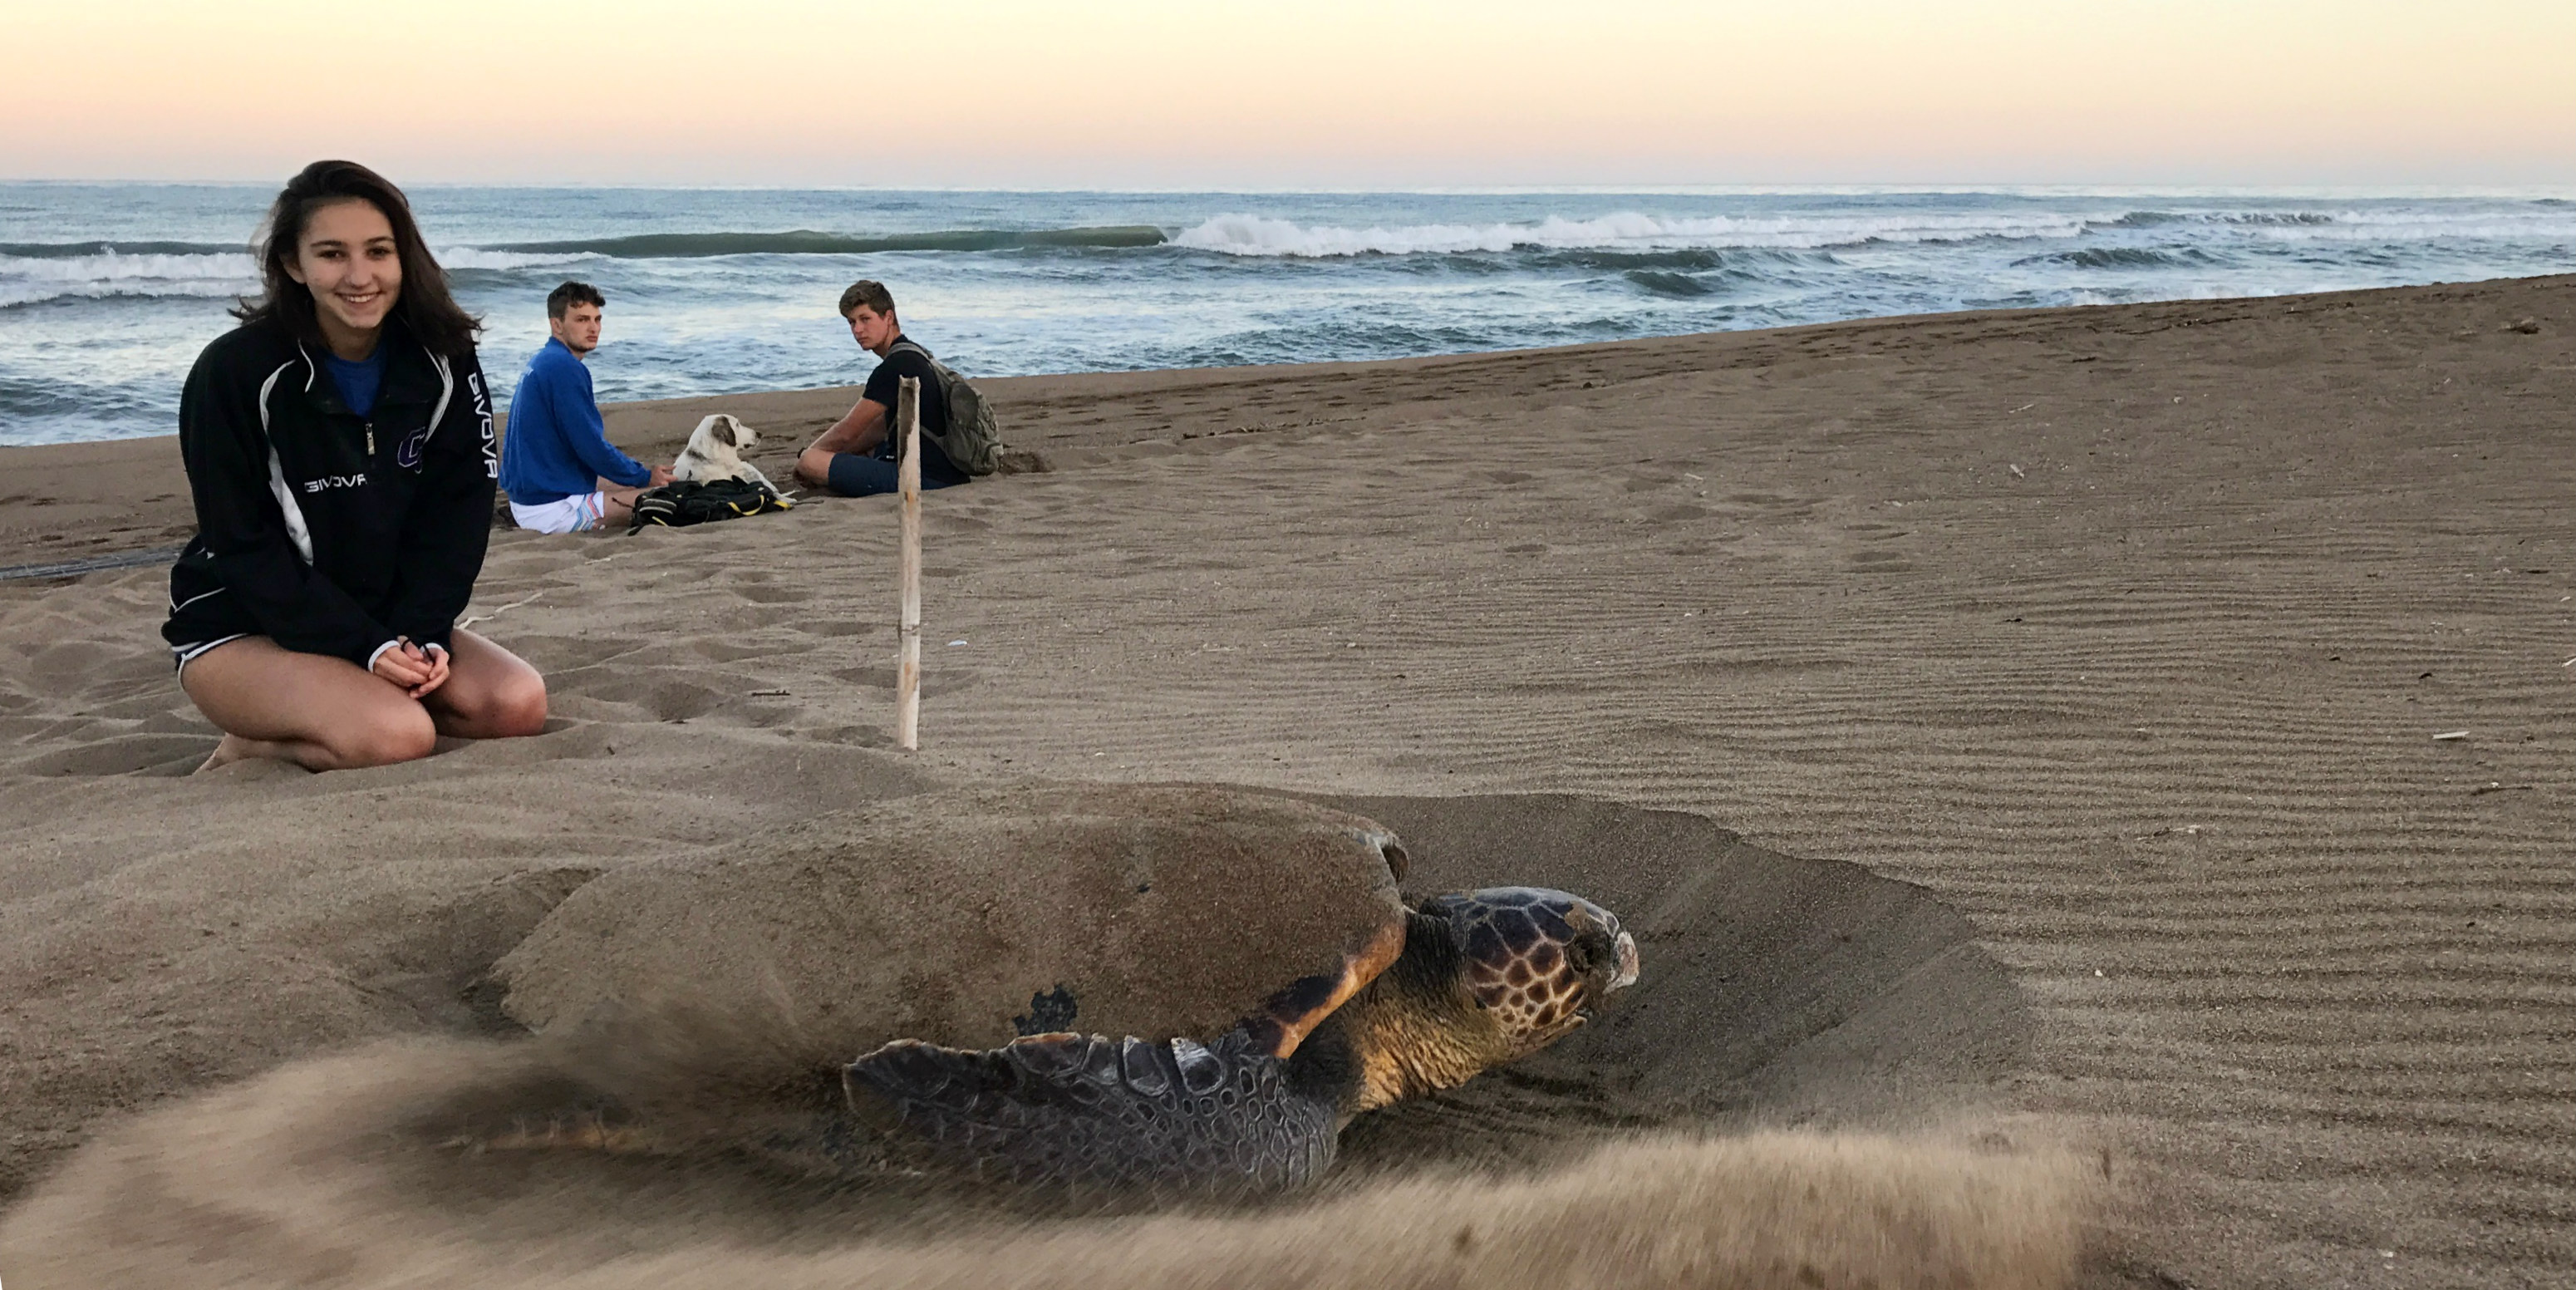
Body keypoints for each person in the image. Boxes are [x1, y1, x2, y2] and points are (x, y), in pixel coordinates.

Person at [160, 160, 549, 772]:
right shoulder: (234, 372)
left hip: (381, 618)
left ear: (404, 258)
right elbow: (241, 543)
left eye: (378, 251)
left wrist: (422, 631)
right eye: (333, 254)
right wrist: (363, 646)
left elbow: (460, 510)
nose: (360, 276)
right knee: (398, 737)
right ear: (294, 264)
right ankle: (251, 739)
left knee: (516, 704)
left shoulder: (443, 358)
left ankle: (347, 705)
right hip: (242, 625)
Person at [497, 281, 673, 532]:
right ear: (556, 325)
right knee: (666, 500)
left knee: (637, 484)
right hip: (551, 510)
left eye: (597, 319)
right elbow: (591, 447)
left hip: (530, 496)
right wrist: (644, 477)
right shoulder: (565, 368)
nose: (593, 328)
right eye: (581, 320)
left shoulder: (543, 360)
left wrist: (637, 476)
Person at [793, 279, 971, 496]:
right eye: (852, 322)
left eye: (865, 319)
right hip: (947, 470)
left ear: (889, 317)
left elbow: (848, 432)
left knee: (811, 461)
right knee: (864, 447)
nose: (858, 330)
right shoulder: (914, 353)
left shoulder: (894, 365)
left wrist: (809, 454)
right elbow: (877, 429)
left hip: (922, 477)